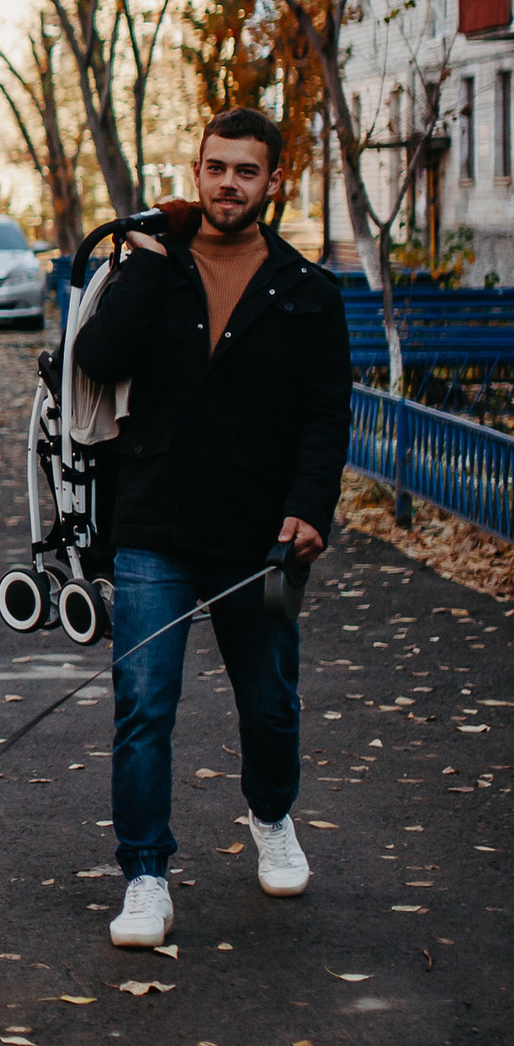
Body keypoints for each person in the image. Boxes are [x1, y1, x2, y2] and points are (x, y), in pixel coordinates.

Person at [70, 103, 352, 949]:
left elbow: (325, 414)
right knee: (143, 706)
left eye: (247, 171)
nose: (229, 184)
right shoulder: (151, 266)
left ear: (274, 182)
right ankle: (146, 875)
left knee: (269, 703)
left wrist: (309, 508)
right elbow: (98, 360)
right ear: (198, 172)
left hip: (257, 534)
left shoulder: (307, 293)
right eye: (216, 167)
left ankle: (271, 817)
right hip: (153, 522)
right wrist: (150, 263)